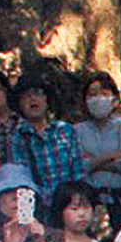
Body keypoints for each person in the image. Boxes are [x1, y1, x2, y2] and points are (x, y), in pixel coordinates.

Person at [75, 72, 121, 233]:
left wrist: (94, 162)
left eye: (104, 93)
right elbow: (76, 167)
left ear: (115, 100)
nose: (98, 98)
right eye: (92, 94)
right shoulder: (76, 131)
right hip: (87, 200)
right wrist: (111, 156)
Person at [11, 75, 85, 210]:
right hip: (38, 206)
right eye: (26, 96)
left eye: (37, 94)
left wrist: (76, 201)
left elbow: (78, 171)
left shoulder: (65, 130)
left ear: (46, 100)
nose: (33, 99)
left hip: (70, 204)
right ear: (19, 104)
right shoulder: (18, 138)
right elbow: (22, 181)